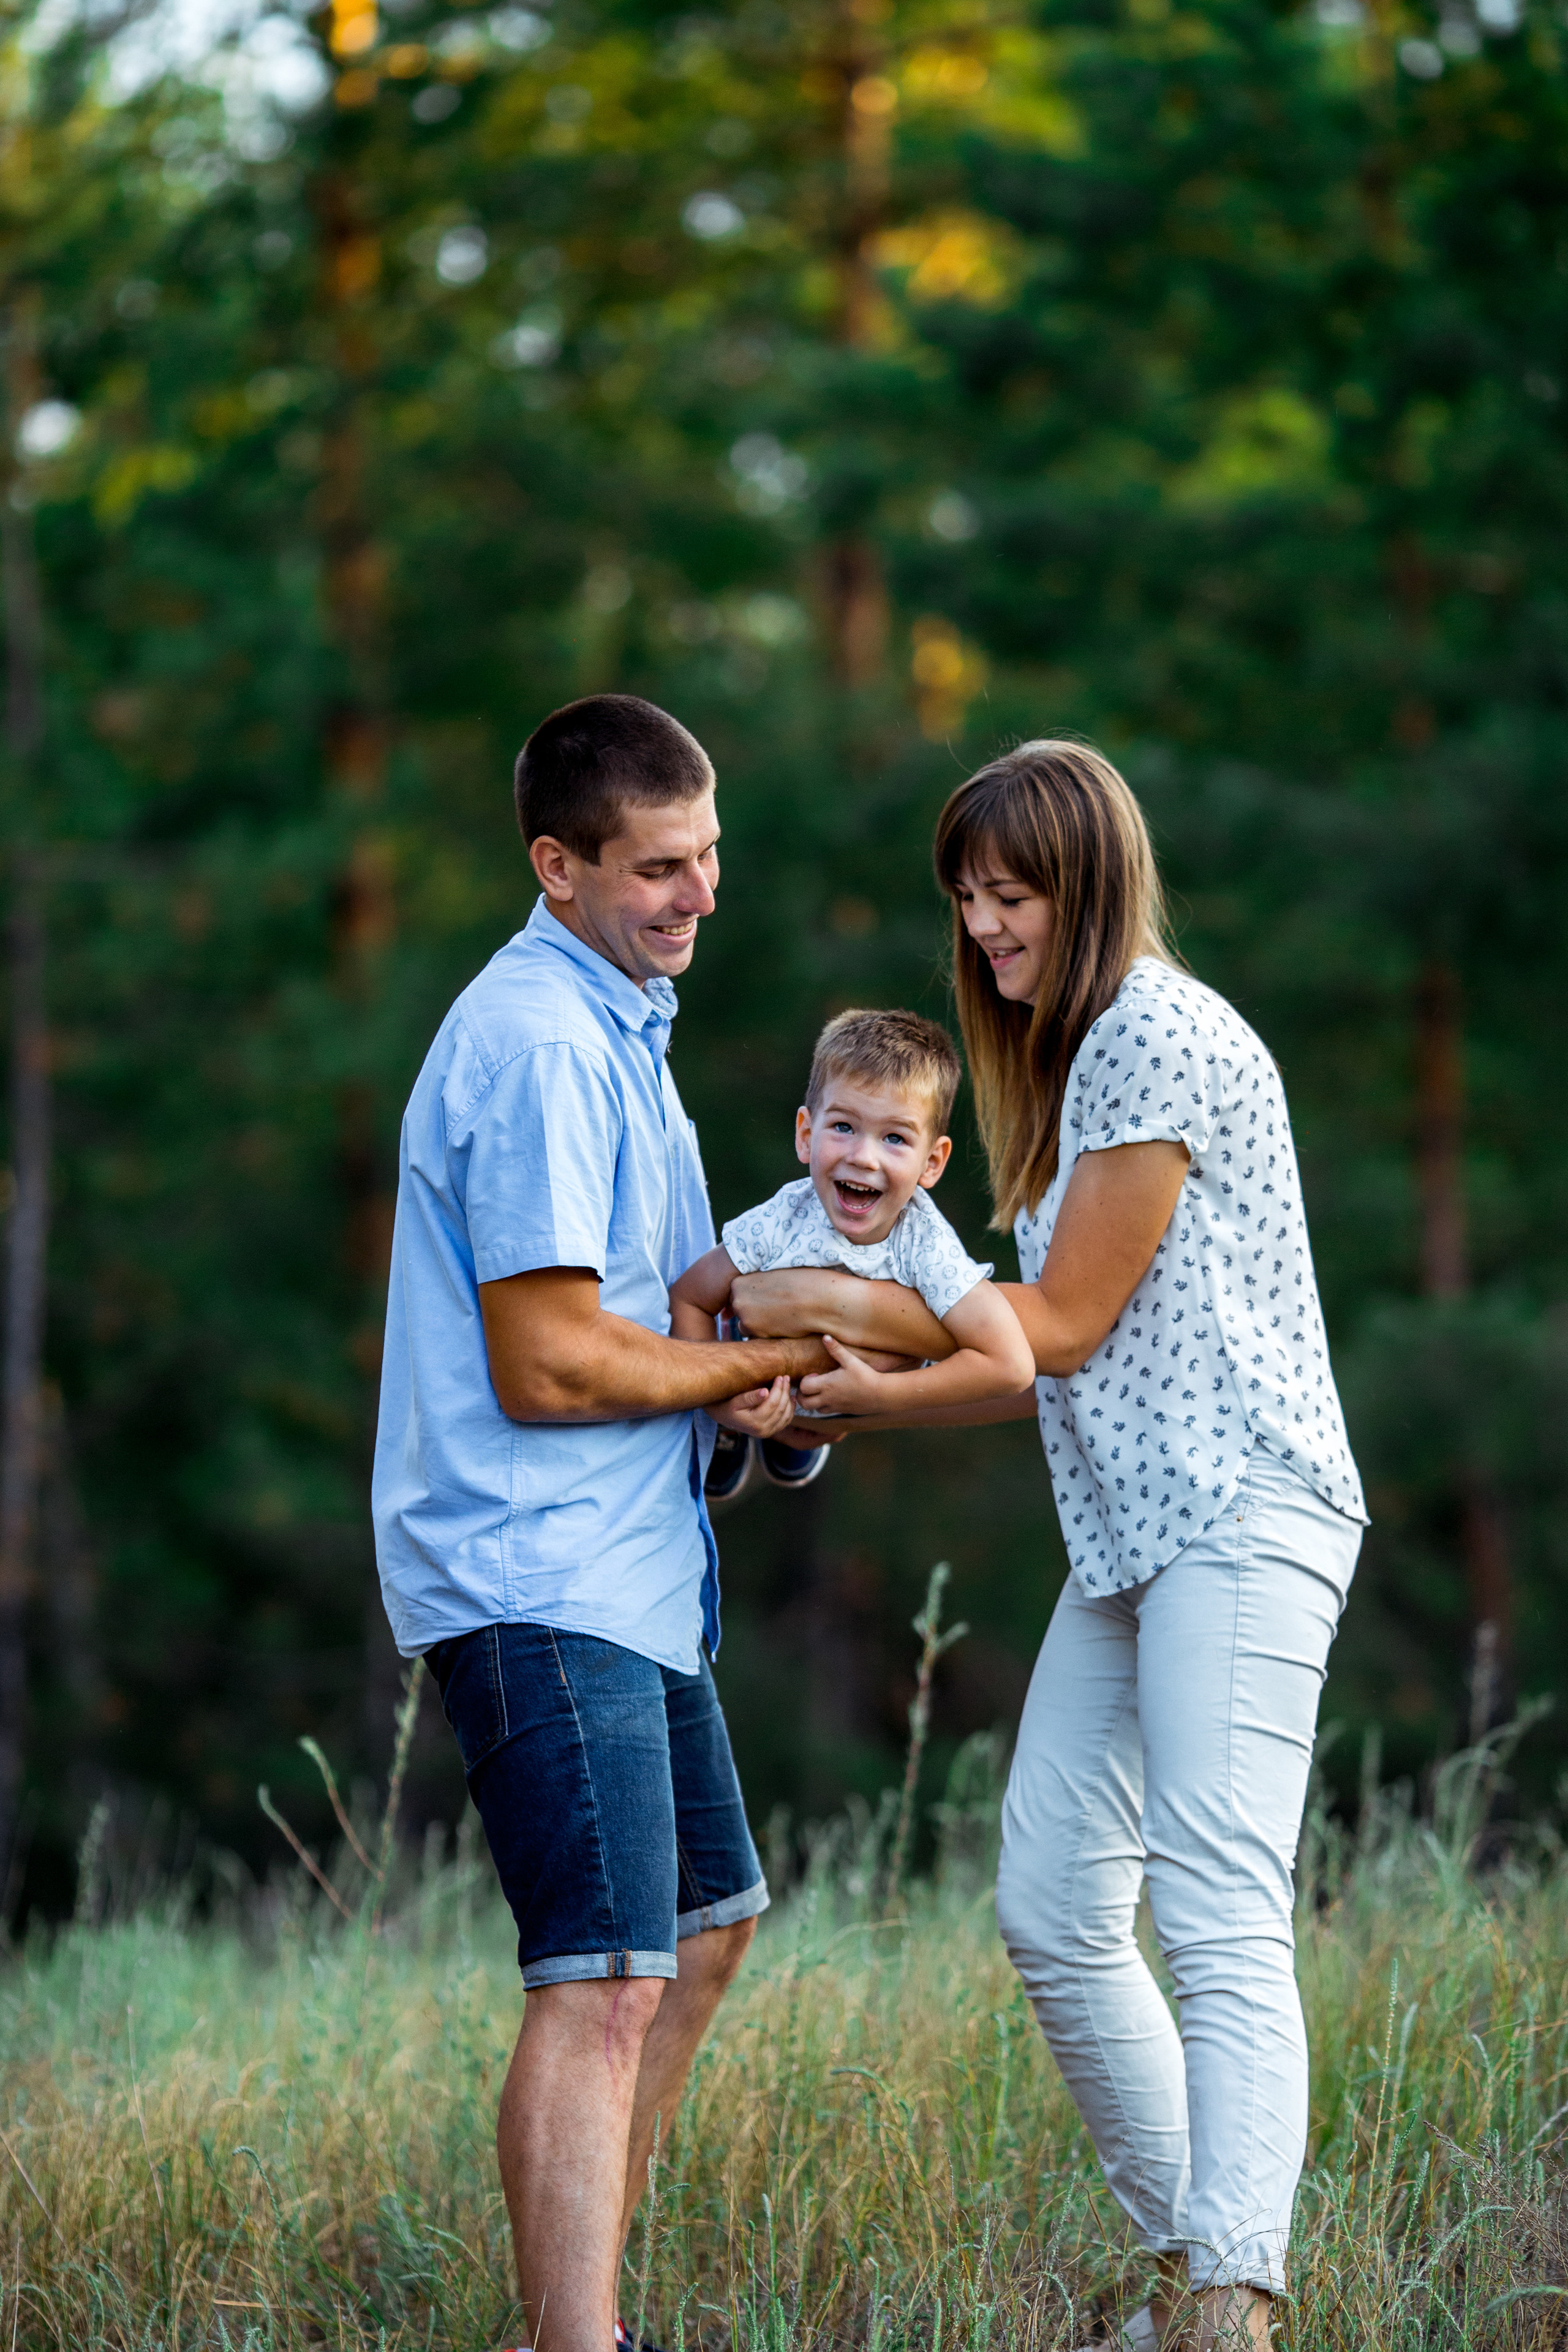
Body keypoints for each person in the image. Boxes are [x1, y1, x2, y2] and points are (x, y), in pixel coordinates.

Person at [726, 741, 1368, 2352]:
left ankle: (1231, 2306)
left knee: (1215, 1908)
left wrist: (816, 1308)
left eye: (1008, 895)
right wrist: (862, 1395)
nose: (984, 928)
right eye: (966, 898)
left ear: (1084, 885)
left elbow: (1056, 1324)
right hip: (1133, 1537)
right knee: (1056, 1908)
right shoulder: (1074, 1065)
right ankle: (1183, 2260)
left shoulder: (1151, 1032)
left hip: (1241, 1510)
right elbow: (1036, 1366)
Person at [371, 693, 831, 2352]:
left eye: (706, 855)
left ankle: (573, 2315)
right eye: (654, 867)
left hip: (625, 1567)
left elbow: (654, 1322)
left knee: (700, 1932)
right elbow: (552, 1359)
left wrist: (771, 1402)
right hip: (535, 1565)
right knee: (606, 1975)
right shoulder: (544, 1046)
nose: (697, 893)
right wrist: (755, 1364)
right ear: (555, 866)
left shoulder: (621, 1024)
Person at [671, 1006, 1035, 1501]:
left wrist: (882, 1396)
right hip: (755, 1366)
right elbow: (691, 1298)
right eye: (843, 1127)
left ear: (932, 1162)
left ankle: (806, 1426)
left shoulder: (926, 1244)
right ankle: (735, 1430)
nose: (864, 1157)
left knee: (852, 1391)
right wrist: (717, 1399)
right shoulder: (782, 1219)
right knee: (735, 1336)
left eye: (895, 1138)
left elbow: (1011, 1364)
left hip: (862, 1390)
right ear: (806, 1135)